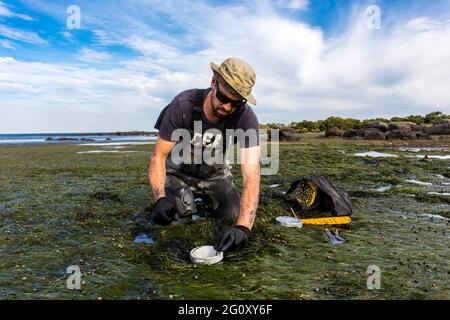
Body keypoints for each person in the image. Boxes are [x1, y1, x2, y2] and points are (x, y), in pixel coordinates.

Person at [148, 57, 260, 252]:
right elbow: (158, 157)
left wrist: (243, 228)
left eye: (236, 103)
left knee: (232, 216)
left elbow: (252, 176)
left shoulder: (245, 118)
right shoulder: (183, 105)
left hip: (216, 176)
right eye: (224, 98)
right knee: (173, 221)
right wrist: (160, 197)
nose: (227, 108)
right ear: (213, 82)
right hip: (179, 175)